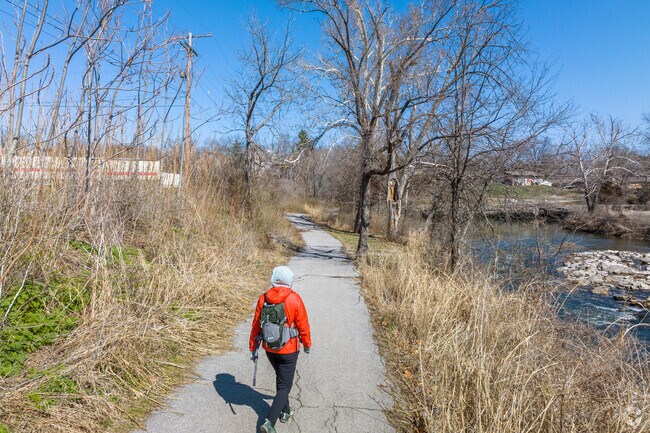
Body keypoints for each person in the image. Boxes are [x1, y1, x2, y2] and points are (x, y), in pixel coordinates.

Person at [249, 266, 311, 433]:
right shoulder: (294, 298)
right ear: (290, 280)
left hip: (270, 348)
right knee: (285, 386)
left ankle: (286, 411)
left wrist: (252, 347)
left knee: (281, 379)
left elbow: (256, 325)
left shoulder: (263, 298)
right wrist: (307, 344)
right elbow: (303, 325)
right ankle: (269, 422)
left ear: (274, 278)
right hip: (289, 350)